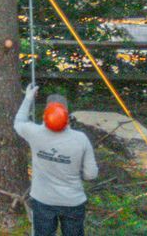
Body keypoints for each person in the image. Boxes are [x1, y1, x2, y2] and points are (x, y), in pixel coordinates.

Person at [15, 82, 98, 236]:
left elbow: (19, 122)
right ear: (67, 118)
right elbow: (91, 174)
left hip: (43, 200)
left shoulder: (35, 133)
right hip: (73, 202)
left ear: (44, 117)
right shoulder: (81, 139)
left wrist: (28, 98)